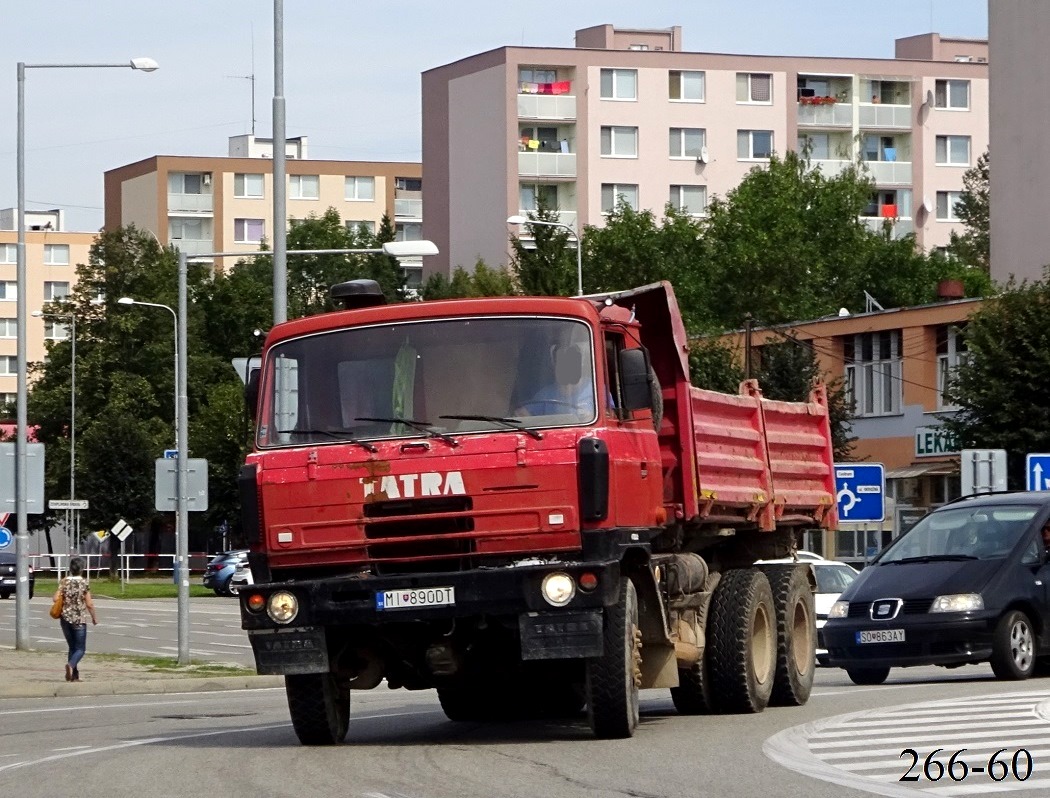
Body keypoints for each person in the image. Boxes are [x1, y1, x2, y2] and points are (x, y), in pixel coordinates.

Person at [517, 344, 596, 418]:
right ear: (555, 366)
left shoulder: (596, 389)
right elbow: (522, 415)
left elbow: (607, 416)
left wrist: (591, 416)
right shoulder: (545, 395)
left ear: (581, 364)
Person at [54, 557, 98, 682]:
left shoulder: (64, 581)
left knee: (72, 647)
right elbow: (89, 604)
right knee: (80, 649)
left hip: (65, 619)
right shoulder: (84, 582)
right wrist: (94, 617)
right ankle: (71, 665)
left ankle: (74, 676)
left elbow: (55, 598)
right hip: (79, 619)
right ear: (82, 569)